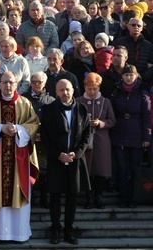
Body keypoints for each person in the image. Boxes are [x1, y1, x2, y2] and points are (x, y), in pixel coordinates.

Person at [0, 71, 40, 243]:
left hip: (18, 158)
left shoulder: (25, 103)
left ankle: (17, 233)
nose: (8, 86)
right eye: (5, 82)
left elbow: (34, 123)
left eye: (11, 82)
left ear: (16, 84)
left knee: (16, 190)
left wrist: (18, 129)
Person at [41, 79, 91, 245]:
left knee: (72, 197)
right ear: (56, 91)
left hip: (75, 160)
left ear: (73, 90)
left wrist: (75, 154)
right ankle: (55, 229)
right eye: (61, 90)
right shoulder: (48, 110)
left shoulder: (82, 109)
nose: (65, 93)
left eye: (67, 89)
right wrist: (58, 154)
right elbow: (45, 137)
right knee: (55, 196)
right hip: (56, 160)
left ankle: (69, 230)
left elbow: (86, 136)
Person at [110, 65, 151, 208]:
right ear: (122, 76)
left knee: (134, 168)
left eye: (131, 75)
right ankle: (123, 197)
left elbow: (147, 117)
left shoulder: (142, 94)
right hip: (119, 133)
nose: (128, 77)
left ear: (136, 76)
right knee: (122, 168)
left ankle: (133, 198)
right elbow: (111, 114)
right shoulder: (116, 93)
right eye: (126, 75)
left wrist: (146, 137)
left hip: (137, 134)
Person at [76, 73, 115, 209]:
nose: (92, 92)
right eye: (89, 89)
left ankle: (99, 196)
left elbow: (112, 120)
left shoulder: (106, 101)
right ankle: (89, 197)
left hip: (101, 140)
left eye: (95, 89)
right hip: (84, 140)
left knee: (100, 169)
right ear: (85, 88)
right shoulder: (79, 101)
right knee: (87, 170)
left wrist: (100, 123)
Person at [21, 71, 55, 208]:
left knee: (45, 170)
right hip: (29, 141)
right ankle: (31, 197)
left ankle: (44, 197)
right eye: (33, 82)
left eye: (39, 82)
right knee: (29, 168)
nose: (36, 84)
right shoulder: (23, 99)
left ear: (44, 83)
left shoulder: (51, 100)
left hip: (45, 142)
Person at [112, 17, 153, 84]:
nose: (136, 27)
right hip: (122, 81)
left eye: (139, 25)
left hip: (143, 82)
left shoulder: (149, 45)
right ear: (128, 26)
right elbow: (113, 61)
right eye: (133, 25)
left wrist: (141, 77)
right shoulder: (118, 42)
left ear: (142, 28)